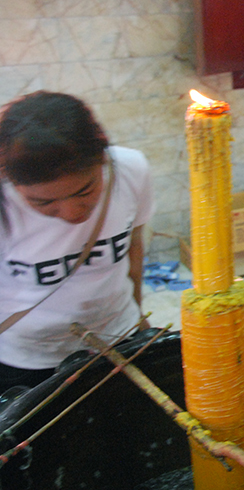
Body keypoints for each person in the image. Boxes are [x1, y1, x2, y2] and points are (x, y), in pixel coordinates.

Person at [0, 91, 153, 393]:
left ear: (102, 159)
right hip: (27, 359)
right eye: (43, 203)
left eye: (85, 191)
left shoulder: (130, 170)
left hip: (116, 338)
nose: (71, 213)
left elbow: (134, 245)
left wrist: (135, 314)